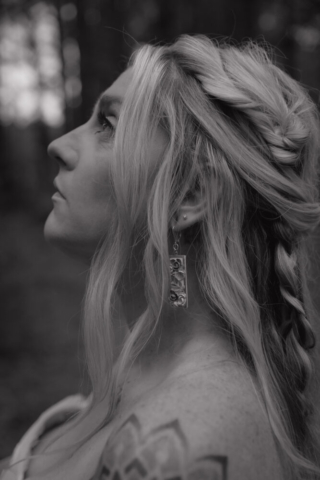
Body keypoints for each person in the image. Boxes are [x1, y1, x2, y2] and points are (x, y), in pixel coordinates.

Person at [1, 34, 320, 480]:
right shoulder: (140, 378)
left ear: (188, 194)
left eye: (108, 125)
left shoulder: (173, 445)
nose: (60, 145)